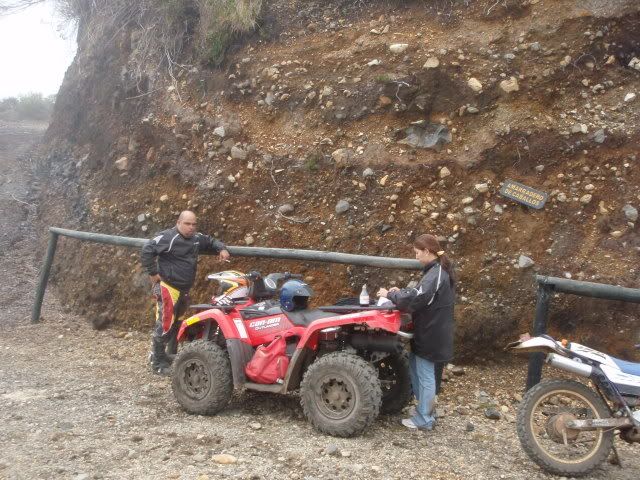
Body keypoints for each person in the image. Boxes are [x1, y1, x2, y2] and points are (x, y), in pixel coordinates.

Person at [377, 234, 455, 431]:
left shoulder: (435, 274)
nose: (416, 257)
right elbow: (420, 295)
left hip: (431, 334)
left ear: (428, 252)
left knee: (425, 374)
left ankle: (425, 419)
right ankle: (425, 411)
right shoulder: (437, 271)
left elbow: (416, 299)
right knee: (417, 367)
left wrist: (391, 295)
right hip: (432, 331)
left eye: (418, 253)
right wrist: (400, 292)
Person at [140, 210, 230, 375]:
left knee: (177, 322)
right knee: (165, 323)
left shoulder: (196, 238)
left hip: (183, 289)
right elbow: (147, 250)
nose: (191, 227)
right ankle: (157, 362)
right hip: (168, 286)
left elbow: (210, 241)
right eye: (187, 224)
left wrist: (221, 248)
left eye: (194, 224)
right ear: (178, 223)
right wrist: (153, 272)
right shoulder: (168, 237)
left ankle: (169, 355)